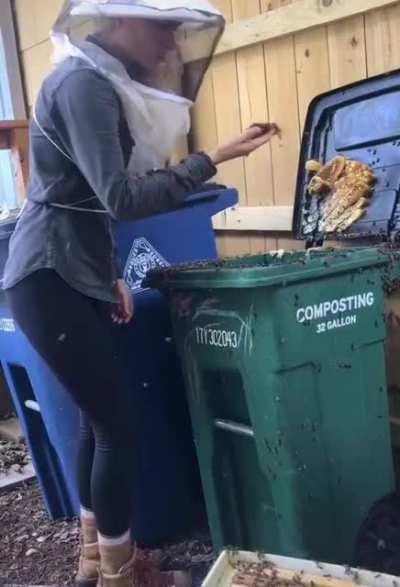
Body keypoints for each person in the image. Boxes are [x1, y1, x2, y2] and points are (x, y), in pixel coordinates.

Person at [3, 2, 280, 586]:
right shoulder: (83, 85)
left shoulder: (91, 80)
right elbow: (121, 199)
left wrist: (109, 274)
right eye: (164, 30)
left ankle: (94, 562)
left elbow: (83, 198)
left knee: (95, 421)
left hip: (69, 272)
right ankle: (122, 574)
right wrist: (215, 158)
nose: (171, 47)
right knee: (118, 425)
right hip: (48, 275)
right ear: (121, 20)